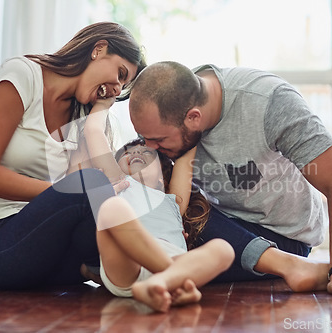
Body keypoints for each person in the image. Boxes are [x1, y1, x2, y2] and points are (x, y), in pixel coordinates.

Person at [128, 61, 332, 297]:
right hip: (220, 225)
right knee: (155, 235)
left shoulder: (269, 103)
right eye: (144, 139)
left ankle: (295, 266)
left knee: (163, 258)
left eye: (157, 140)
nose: (151, 148)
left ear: (193, 117)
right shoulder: (172, 105)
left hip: (282, 237)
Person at [0, 22, 146, 289]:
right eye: (120, 73)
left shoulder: (80, 113)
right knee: (91, 188)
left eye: (123, 85)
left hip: (41, 248)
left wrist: (96, 116)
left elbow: (82, 204)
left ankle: (127, 271)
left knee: (106, 203)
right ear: (99, 49)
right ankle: (129, 272)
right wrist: (62, 192)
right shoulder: (22, 75)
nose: (116, 88)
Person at [79, 97, 234, 312]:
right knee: (112, 209)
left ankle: (160, 284)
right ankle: (173, 281)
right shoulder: (120, 182)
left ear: (162, 177)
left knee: (223, 249)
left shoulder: (172, 200)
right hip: (128, 263)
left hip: (174, 258)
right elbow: (93, 132)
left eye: (146, 153)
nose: (135, 153)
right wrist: (104, 102)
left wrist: (187, 103)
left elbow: (187, 152)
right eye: (128, 152)